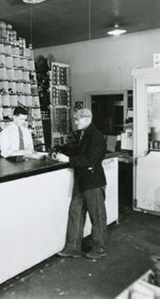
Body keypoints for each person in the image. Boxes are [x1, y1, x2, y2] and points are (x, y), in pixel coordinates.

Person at [53, 108, 108, 260]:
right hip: (81, 181)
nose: (75, 122)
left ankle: (99, 248)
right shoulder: (82, 135)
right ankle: (73, 248)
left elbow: (90, 159)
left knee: (97, 216)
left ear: (87, 119)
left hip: (93, 182)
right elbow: (76, 149)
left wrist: (68, 160)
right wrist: (60, 149)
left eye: (77, 120)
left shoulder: (96, 137)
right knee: (75, 213)